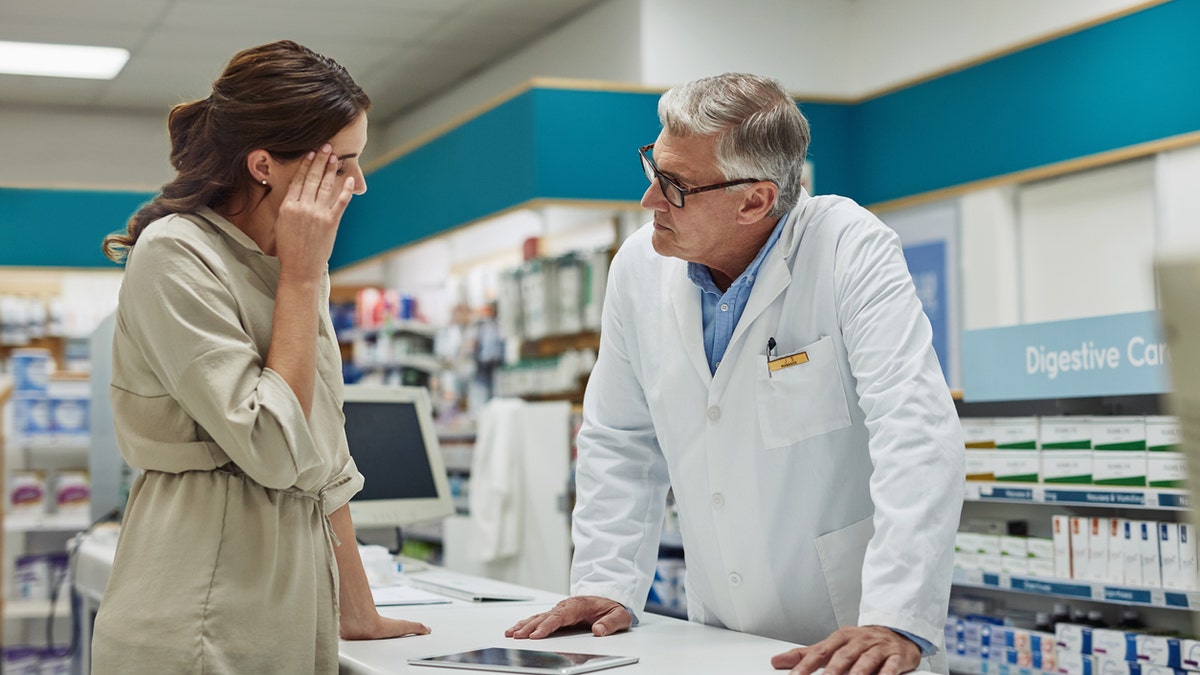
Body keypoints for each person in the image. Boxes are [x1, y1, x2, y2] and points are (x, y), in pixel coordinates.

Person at [506, 72, 964, 675]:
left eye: (675, 186)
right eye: (653, 169)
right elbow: (620, 440)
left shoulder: (847, 246)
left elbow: (917, 432)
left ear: (754, 200)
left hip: (848, 634)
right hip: (715, 632)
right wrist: (606, 581)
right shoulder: (639, 269)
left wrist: (895, 615)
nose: (649, 201)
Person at [92, 40, 429, 673]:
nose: (358, 184)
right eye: (343, 163)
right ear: (265, 165)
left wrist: (355, 609)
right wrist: (302, 280)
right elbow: (274, 447)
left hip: (286, 607)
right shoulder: (176, 254)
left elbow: (320, 458)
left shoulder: (295, 263)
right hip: (201, 613)